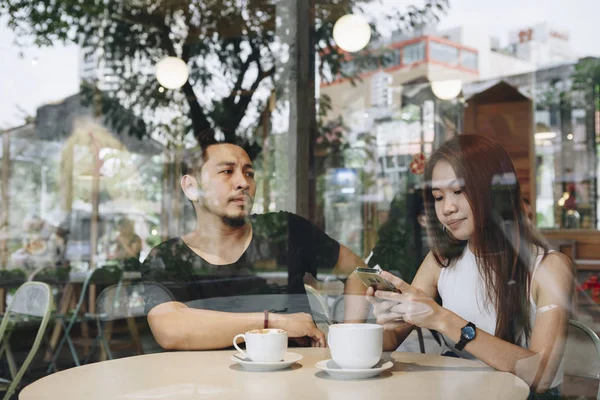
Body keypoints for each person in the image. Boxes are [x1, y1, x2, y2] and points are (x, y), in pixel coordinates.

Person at [367, 135, 573, 396]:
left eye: (458, 191)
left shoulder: (548, 267)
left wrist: (443, 319)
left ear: (495, 191)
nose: (447, 208)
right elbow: (392, 342)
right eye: (438, 197)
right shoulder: (441, 260)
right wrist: (385, 322)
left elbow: (542, 376)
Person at [142, 140, 369, 351]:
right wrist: (273, 323)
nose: (243, 183)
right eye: (227, 171)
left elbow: (358, 272)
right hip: (209, 388)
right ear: (191, 187)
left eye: (249, 173)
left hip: (293, 384)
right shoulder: (167, 258)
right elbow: (170, 328)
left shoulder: (284, 230)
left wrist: (347, 343)